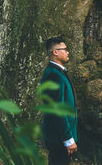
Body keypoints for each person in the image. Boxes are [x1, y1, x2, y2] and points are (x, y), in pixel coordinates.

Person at [41, 37, 78, 165]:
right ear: (55, 52)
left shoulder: (58, 73)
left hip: (60, 136)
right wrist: (68, 139)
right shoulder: (53, 75)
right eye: (65, 49)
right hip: (58, 137)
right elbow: (57, 110)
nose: (67, 52)